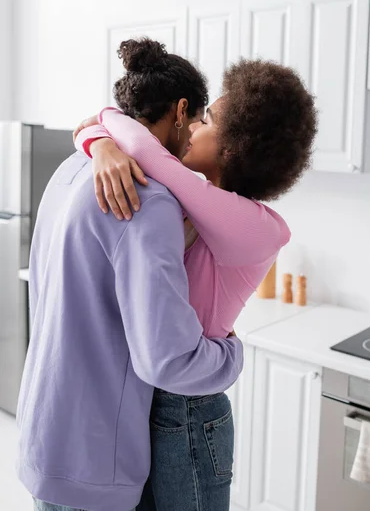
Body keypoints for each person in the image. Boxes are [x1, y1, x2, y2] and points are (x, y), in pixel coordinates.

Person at [74, 38, 318, 510]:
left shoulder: (256, 226)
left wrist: (103, 129)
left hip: (190, 406)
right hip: (157, 393)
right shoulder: (193, 205)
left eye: (207, 121)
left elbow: (148, 151)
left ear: (232, 148)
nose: (193, 126)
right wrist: (98, 142)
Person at [16, 39, 245, 511]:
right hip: (95, 458)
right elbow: (169, 360)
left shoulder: (72, 167)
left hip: (44, 431)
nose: (200, 131)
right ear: (181, 111)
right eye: (201, 118)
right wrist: (231, 355)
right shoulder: (146, 198)